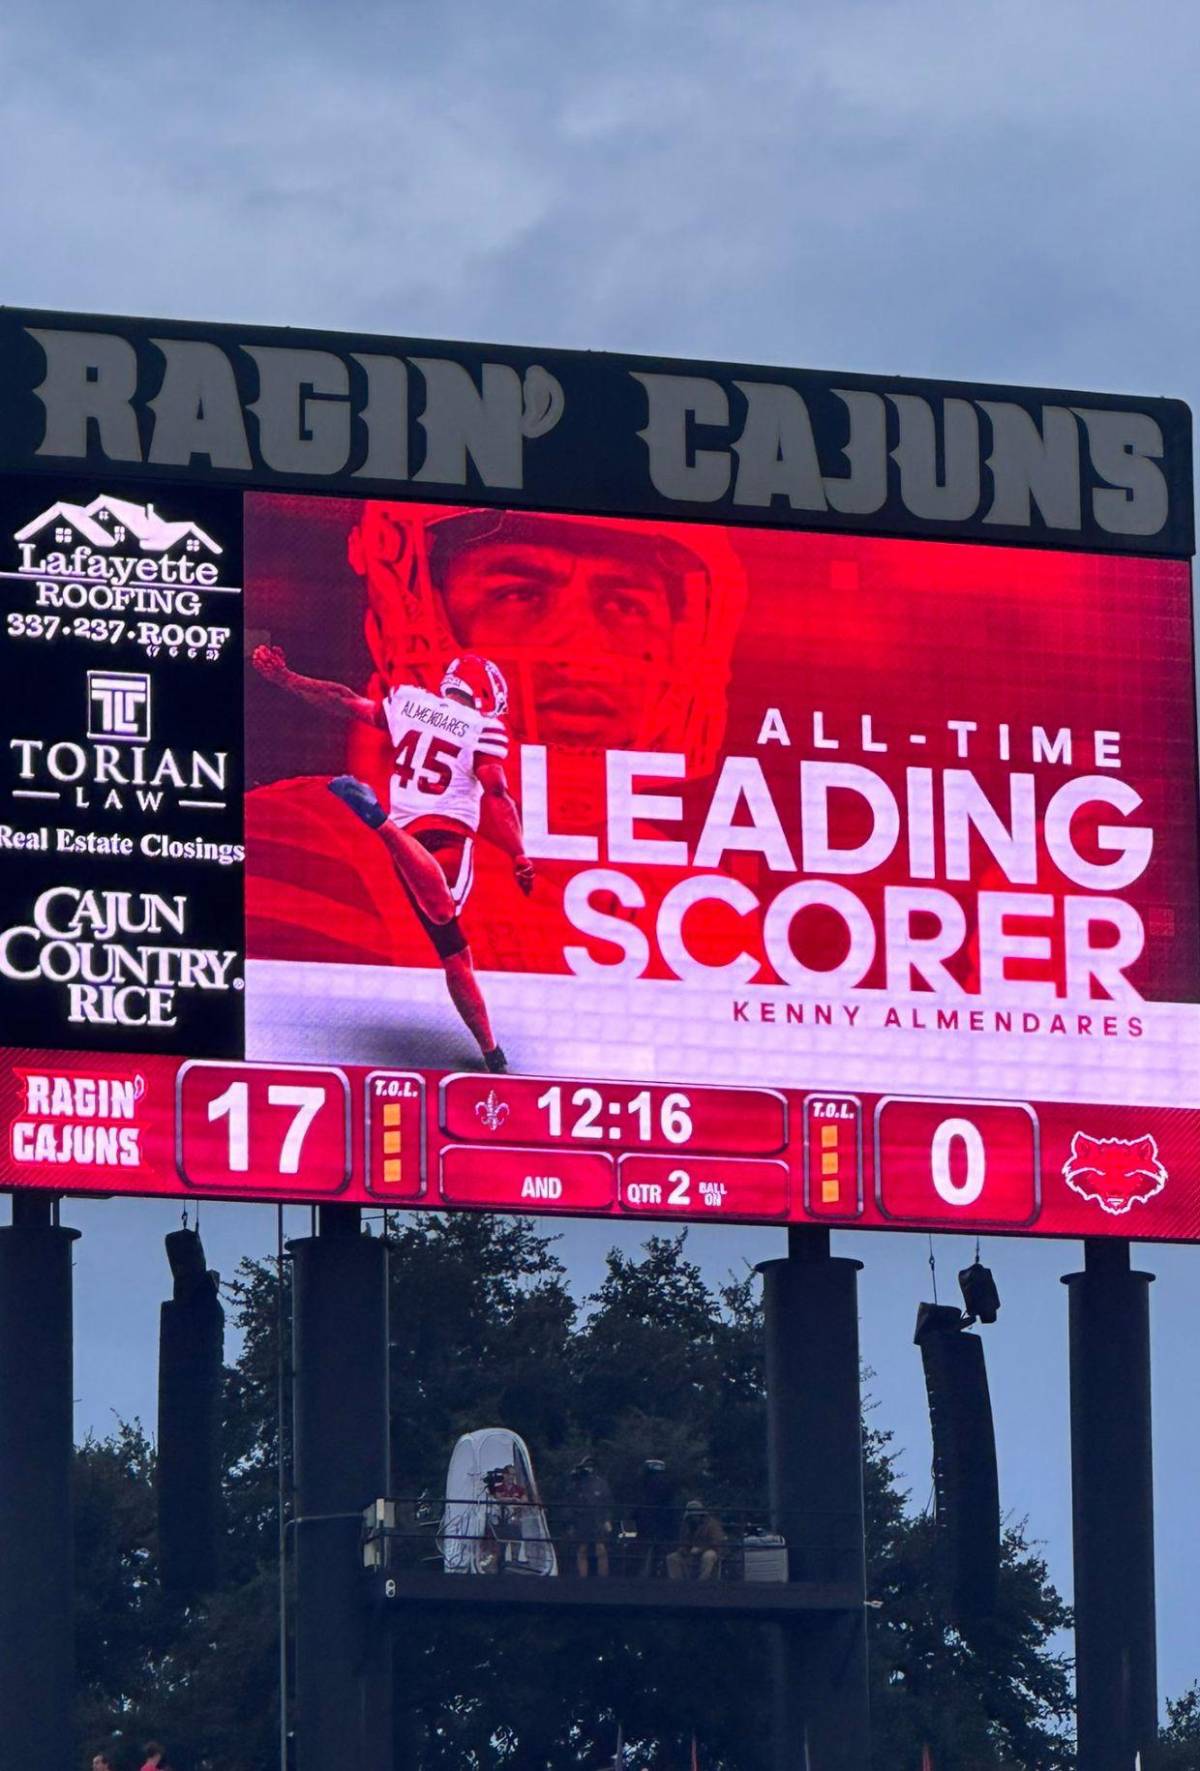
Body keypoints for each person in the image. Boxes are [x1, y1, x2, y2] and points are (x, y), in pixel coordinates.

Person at [252, 644, 532, 1071]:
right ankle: (378, 821)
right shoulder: (483, 727)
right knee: (445, 909)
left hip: (410, 842)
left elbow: (343, 699)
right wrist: (519, 853)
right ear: (487, 695)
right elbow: (496, 792)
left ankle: (491, 1052)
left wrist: (288, 679)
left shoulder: (410, 703)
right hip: (446, 839)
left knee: (455, 955)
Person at [567, 1455, 613, 1577]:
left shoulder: (601, 1483)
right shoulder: (577, 1484)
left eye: (592, 1466)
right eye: (587, 1466)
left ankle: (603, 1580)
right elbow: (571, 1503)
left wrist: (607, 1520)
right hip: (581, 1520)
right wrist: (571, 1524)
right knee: (582, 1549)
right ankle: (583, 1579)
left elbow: (607, 1502)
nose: (589, 1469)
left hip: (597, 1520)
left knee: (601, 1550)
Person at [666, 1500, 725, 1582]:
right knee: (672, 1558)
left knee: (708, 1556)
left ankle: (702, 1583)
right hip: (690, 1554)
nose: (693, 1518)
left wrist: (701, 1549)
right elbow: (683, 1541)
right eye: (691, 1516)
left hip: (709, 1551)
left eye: (694, 1515)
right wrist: (683, 1549)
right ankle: (678, 1584)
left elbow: (716, 1543)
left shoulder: (712, 1524)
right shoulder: (686, 1525)